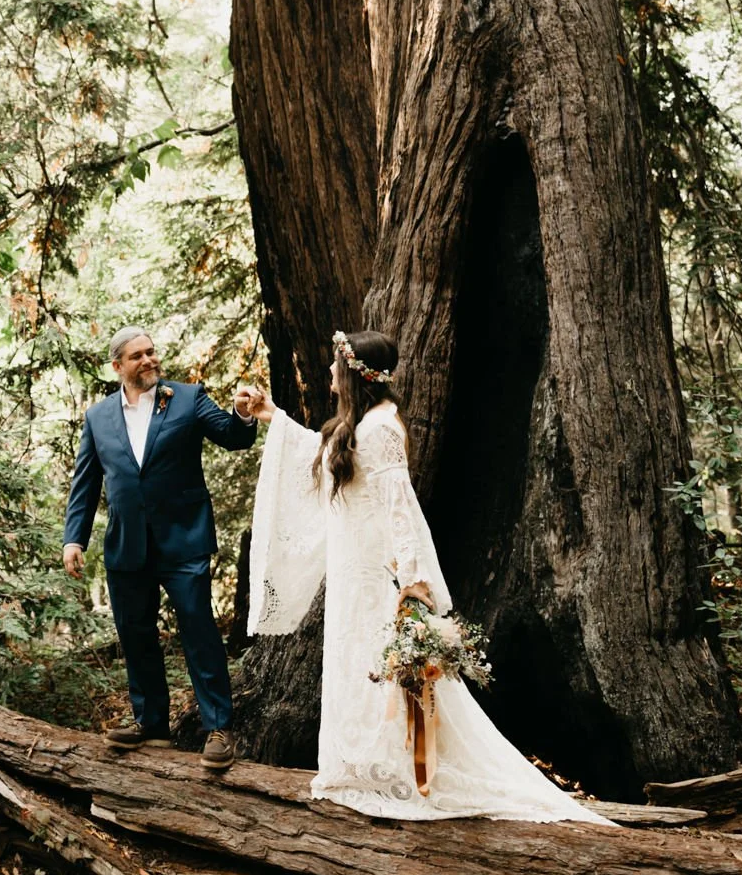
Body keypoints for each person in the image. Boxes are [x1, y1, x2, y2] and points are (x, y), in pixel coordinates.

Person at [239, 329, 612, 823]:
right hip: (351, 573)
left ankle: (397, 770)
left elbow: (400, 509)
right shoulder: (361, 424)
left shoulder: (382, 429)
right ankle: (358, 765)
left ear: (352, 374)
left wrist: (413, 581)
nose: (328, 372)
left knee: (381, 668)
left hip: (374, 575)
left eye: (335, 366)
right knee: (355, 663)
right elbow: (326, 459)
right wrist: (271, 416)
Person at [62, 327, 261, 771]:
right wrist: (74, 538)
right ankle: (150, 724)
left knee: (199, 632)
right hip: (126, 545)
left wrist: (243, 415)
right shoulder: (98, 418)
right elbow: (86, 483)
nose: (150, 360)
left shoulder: (188, 399)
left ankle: (218, 728)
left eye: (152, 352)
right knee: (136, 635)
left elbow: (233, 436)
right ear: (118, 367)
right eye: (138, 356)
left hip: (184, 540)